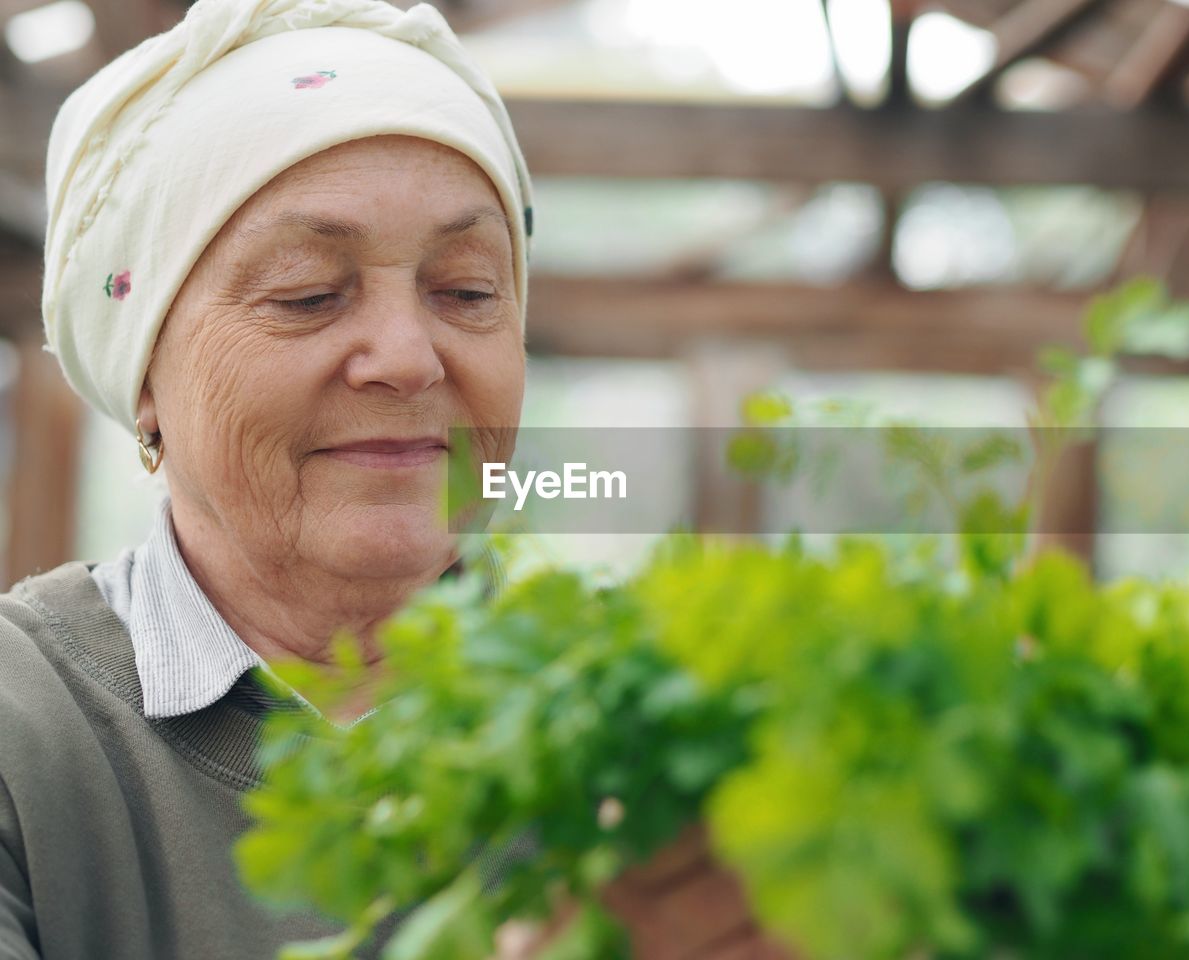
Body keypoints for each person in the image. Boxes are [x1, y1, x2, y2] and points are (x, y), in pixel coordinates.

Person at [0, 1, 792, 958]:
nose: (409, 358)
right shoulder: (27, 732)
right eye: (307, 293)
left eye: (466, 291)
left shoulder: (661, 720)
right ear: (148, 381)